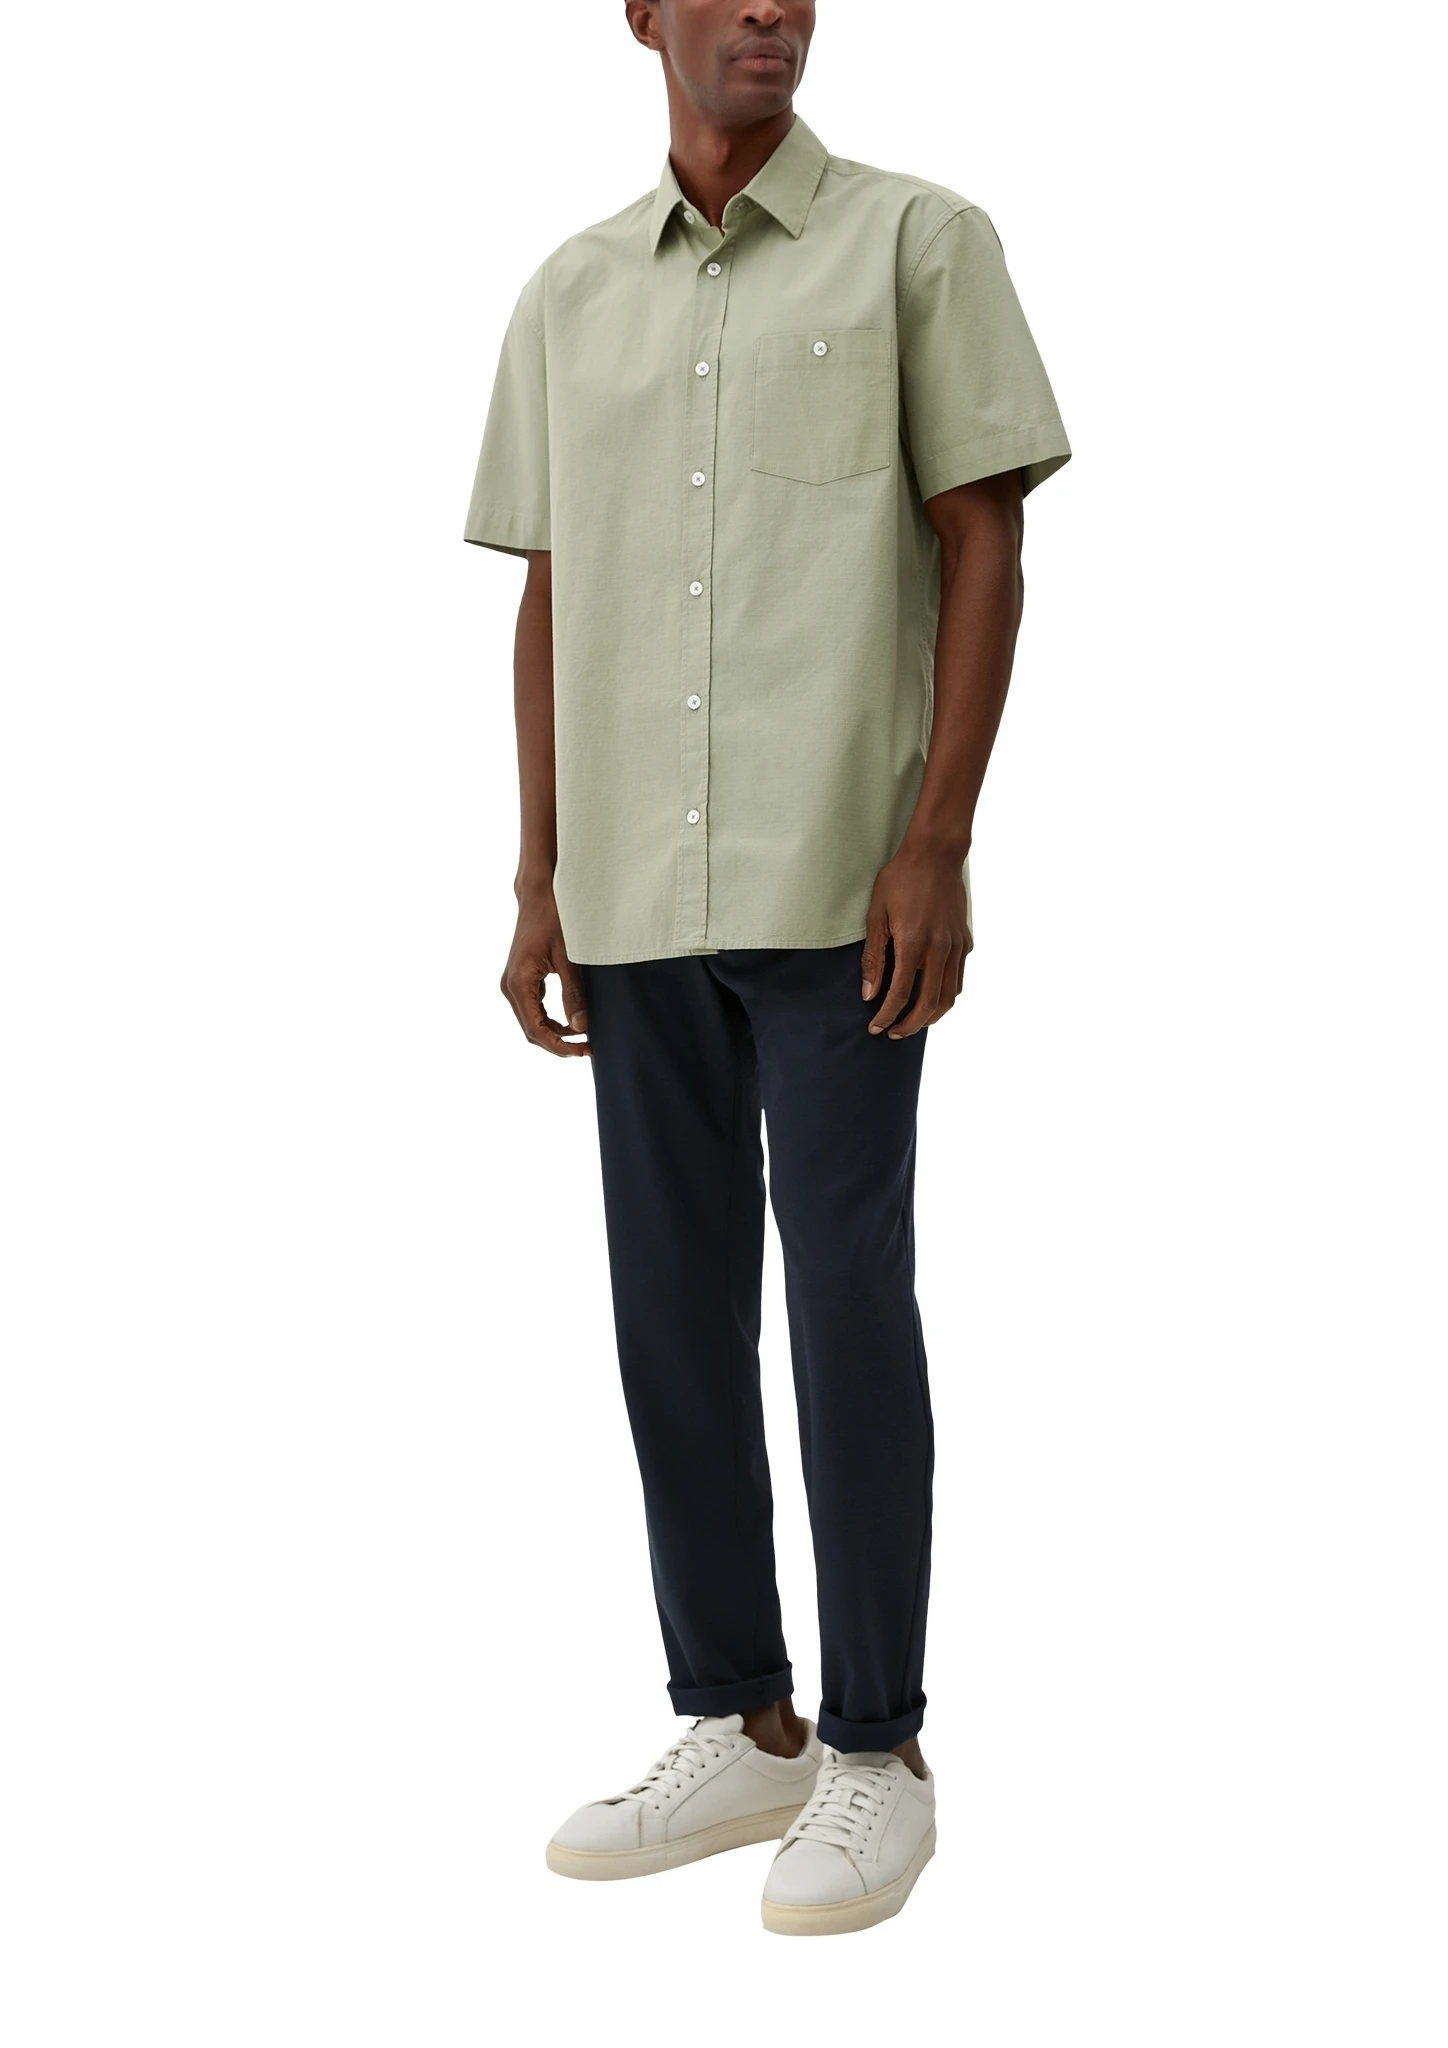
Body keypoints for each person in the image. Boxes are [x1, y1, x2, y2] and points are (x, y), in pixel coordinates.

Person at [464, 0, 1069, 1936]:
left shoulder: (917, 243)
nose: (768, 10)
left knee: (842, 1301)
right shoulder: (568, 294)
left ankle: (881, 1747)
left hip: (840, 882)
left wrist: (936, 838)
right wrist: (540, 872)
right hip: (632, 891)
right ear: (639, 16)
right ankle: (742, 1717)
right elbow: (551, 590)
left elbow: (982, 543)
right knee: (669, 1318)